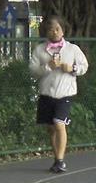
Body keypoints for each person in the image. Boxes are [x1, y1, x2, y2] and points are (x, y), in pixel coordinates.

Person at [29, 16, 89, 173]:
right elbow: (33, 71)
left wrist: (73, 69)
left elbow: (84, 66)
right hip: (46, 94)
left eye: (57, 29)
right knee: (51, 128)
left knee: (59, 123)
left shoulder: (72, 49)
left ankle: (61, 160)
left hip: (65, 94)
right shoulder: (40, 50)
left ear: (63, 30)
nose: (54, 32)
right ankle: (57, 158)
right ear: (46, 31)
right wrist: (48, 66)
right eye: (51, 29)